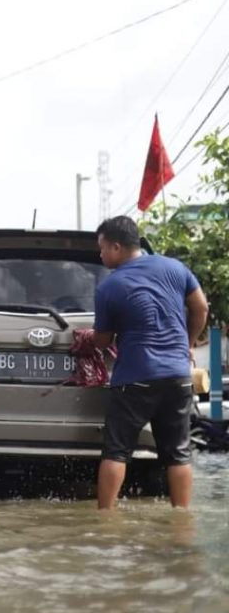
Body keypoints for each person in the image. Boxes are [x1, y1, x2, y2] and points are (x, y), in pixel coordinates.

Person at [91, 216, 207, 510]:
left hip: (135, 379)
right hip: (178, 376)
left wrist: (98, 338)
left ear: (116, 247)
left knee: (116, 452)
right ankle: (182, 516)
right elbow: (201, 307)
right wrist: (187, 344)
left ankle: (106, 517)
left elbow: (102, 341)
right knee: (178, 453)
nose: (101, 255)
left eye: (102, 248)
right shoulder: (176, 268)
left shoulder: (110, 286)